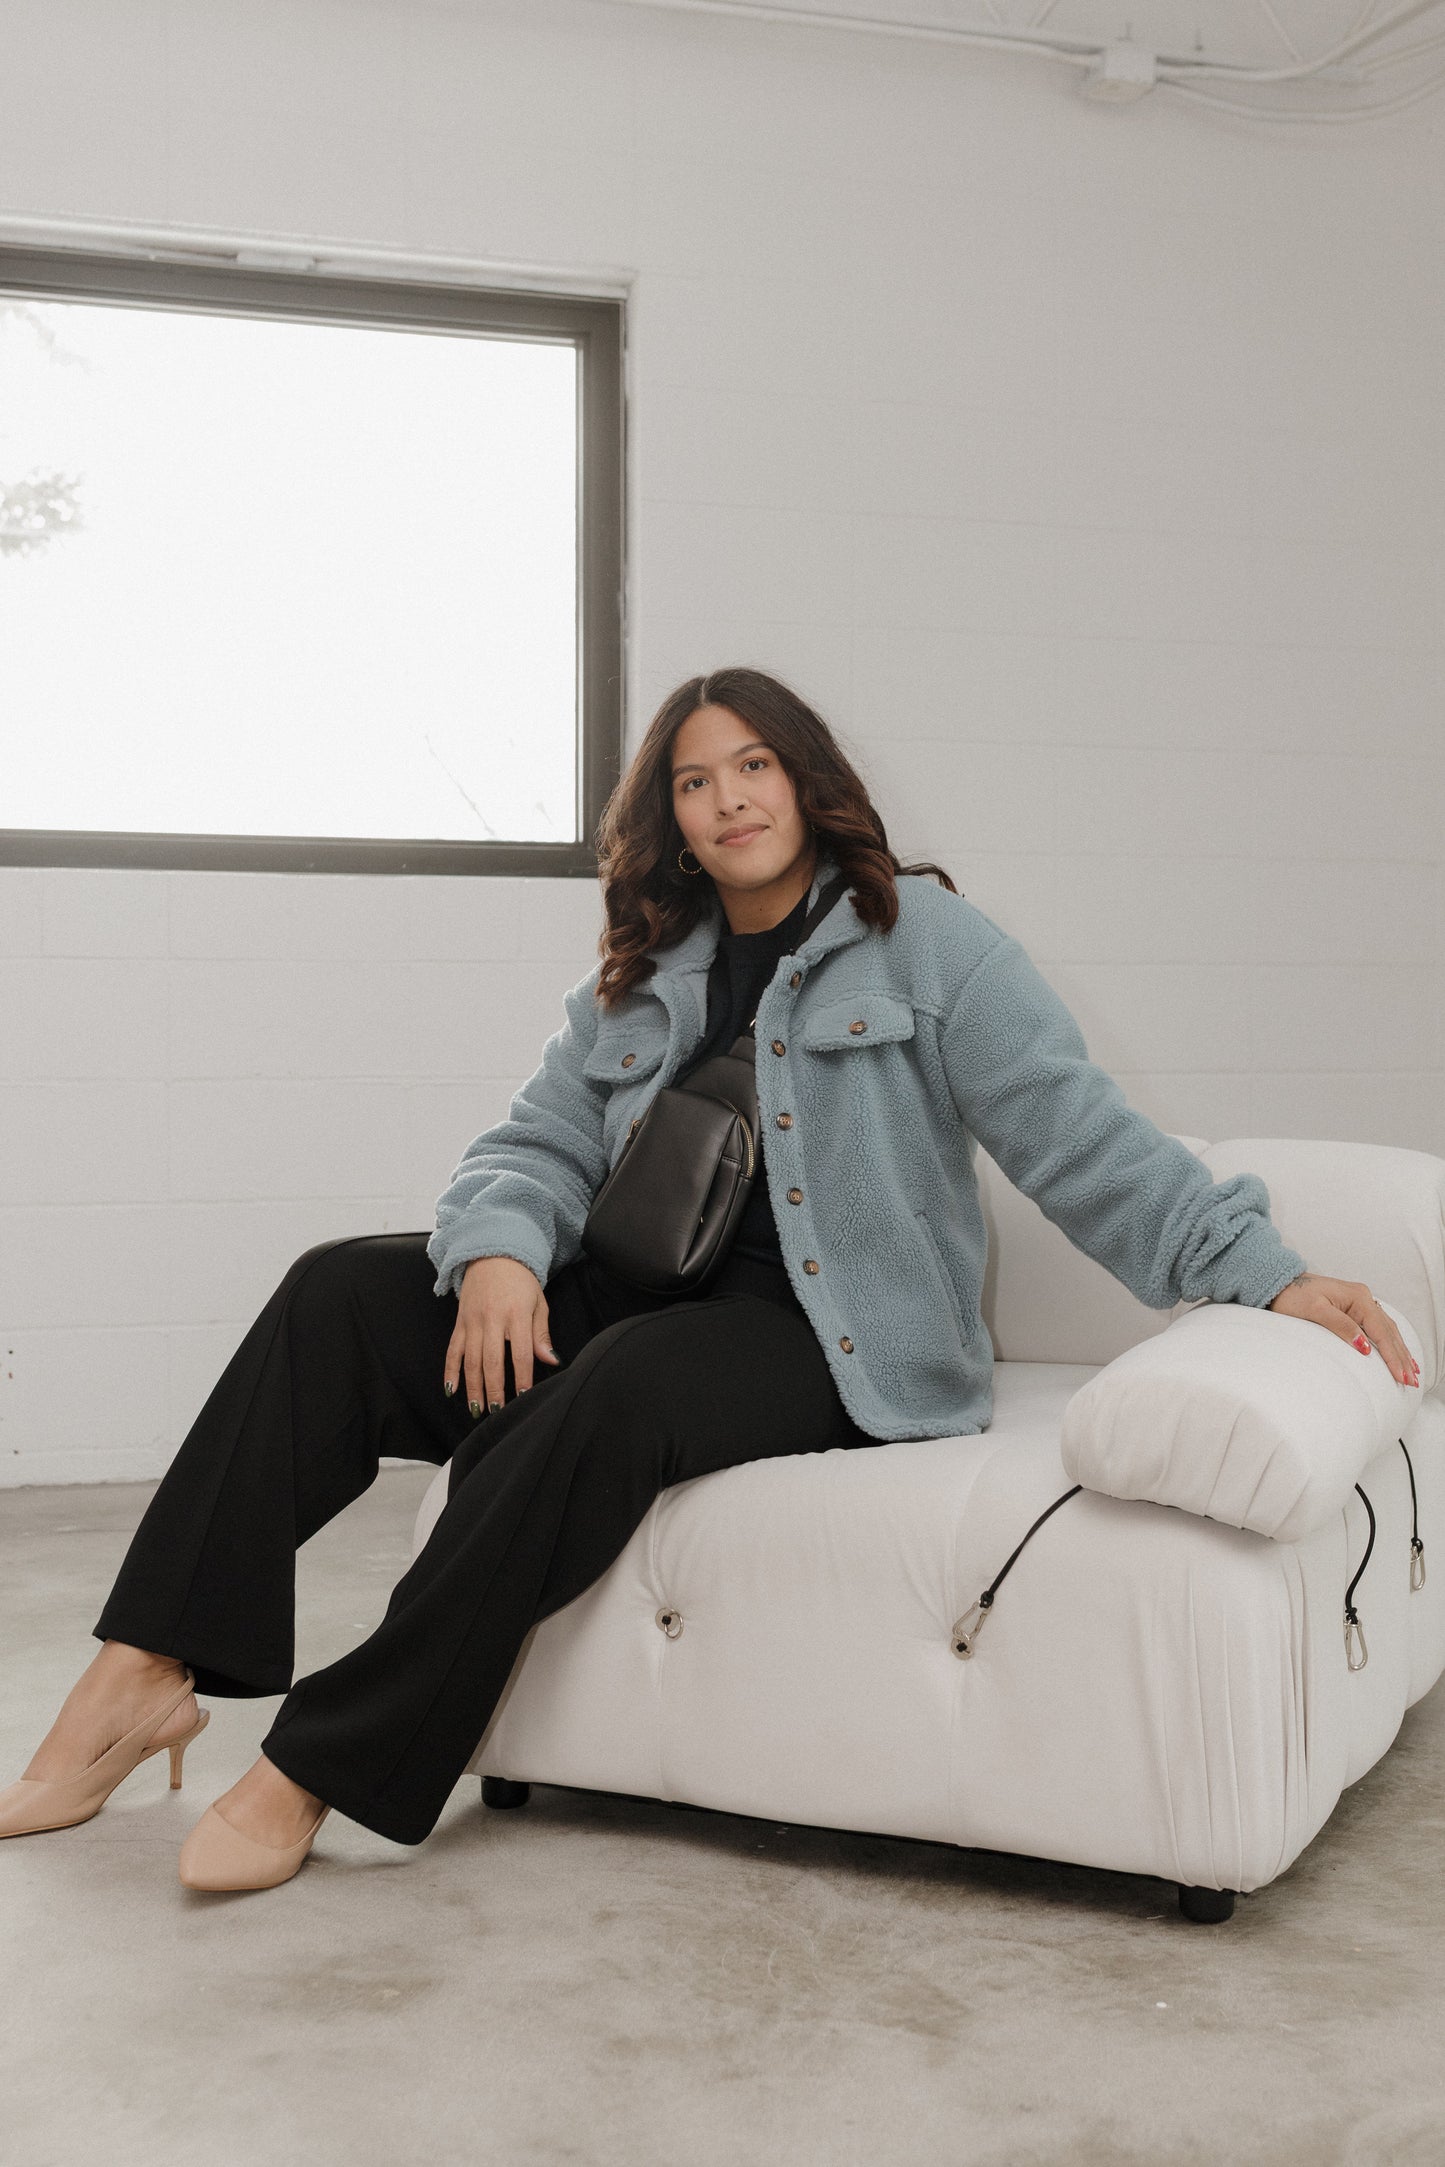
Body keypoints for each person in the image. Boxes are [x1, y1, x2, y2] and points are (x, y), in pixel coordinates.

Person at [0, 667, 1420, 1892]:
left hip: (828, 1341)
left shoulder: (930, 947)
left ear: (806, 781)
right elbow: (541, 1140)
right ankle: (143, 1673)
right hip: (631, 1296)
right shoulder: (647, 965)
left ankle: (326, 1759)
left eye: (753, 766)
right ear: (669, 815)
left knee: (624, 1378)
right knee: (336, 1296)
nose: (728, 799)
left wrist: (1262, 1273)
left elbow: (1079, 1137)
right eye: (694, 780)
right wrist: (497, 1251)